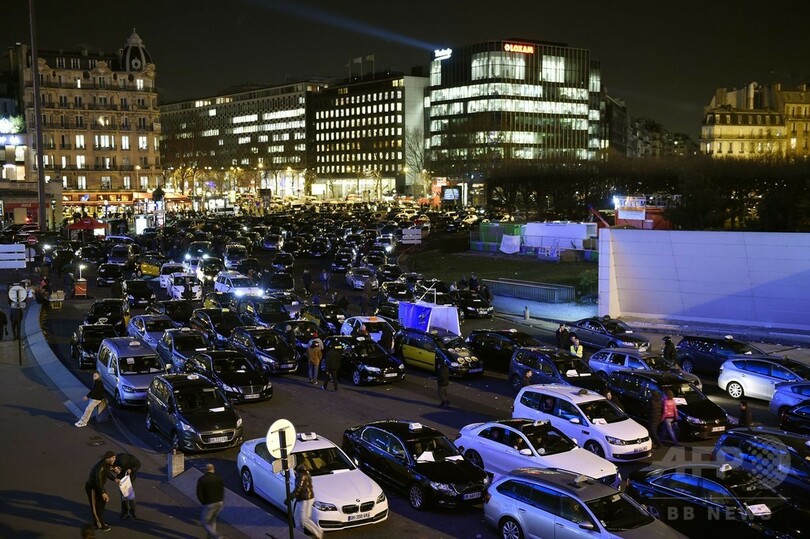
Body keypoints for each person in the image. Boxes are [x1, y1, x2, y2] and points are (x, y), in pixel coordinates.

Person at [288, 464, 322, 538]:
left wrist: (290, 497)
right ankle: (299, 534)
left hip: (305, 499)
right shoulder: (306, 474)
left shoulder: (301, 475)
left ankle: (318, 533)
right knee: (296, 517)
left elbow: (298, 488)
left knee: (304, 519)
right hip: (301, 499)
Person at [85, 451, 116, 532]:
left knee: (101, 504)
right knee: (95, 506)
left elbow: (107, 473)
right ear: (107, 458)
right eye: (113, 458)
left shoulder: (106, 464)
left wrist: (114, 479)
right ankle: (99, 525)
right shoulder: (100, 467)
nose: (114, 459)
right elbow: (98, 481)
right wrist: (103, 493)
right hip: (93, 488)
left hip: (99, 487)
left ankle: (100, 520)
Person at [196, 463, 224, 539]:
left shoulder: (202, 479)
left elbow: (199, 493)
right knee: (213, 519)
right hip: (219, 502)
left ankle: (216, 535)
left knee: (204, 522)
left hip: (209, 503)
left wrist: (203, 502)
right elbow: (222, 490)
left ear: (205, 470)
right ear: (213, 469)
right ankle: (210, 537)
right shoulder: (219, 478)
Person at [113, 453, 141, 519]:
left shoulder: (128, 459)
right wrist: (115, 469)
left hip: (129, 479)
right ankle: (129, 512)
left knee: (126, 496)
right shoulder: (127, 458)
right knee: (127, 496)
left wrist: (131, 469)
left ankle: (128, 512)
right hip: (123, 479)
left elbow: (137, 464)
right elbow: (138, 464)